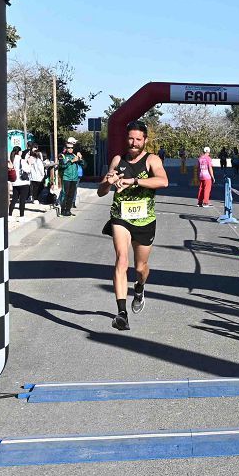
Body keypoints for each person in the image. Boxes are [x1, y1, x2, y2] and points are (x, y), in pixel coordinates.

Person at [98, 120, 169, 331]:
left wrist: (134, 181)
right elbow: (101, 191)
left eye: (138, 139)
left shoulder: (152, 160)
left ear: (145, 140)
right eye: (131, 138)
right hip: (121, 216)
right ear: (126, 138)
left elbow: (163, 181)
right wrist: (108, 182)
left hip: (145, 220)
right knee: (121, 259)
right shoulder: (118, 159)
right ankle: (122, 313)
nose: (134, 142)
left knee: (140, 268)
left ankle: (139, 287)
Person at [58, 137, 83, 217]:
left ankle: (68, 210)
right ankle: (63, 210)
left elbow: (84, 165)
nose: (70, 149)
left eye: (71, 148)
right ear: (66, 148)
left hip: (74, 178)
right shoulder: (62, 156)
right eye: (68, 148)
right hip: (66, 177)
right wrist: (71, 161)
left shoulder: (74, 155)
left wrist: (80, 159)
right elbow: (62, 166)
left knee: (71, 195)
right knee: (65, 194)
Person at [8, 146, 32, 217]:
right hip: (23, 182)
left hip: (15, 182)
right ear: (19, 152)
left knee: (14, 199)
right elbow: (28, 170)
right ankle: (21, 216)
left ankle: (10, 215)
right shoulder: (21, 160)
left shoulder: (12, 160)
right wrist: (29, 163)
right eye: (21, 151)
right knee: (22, 200)